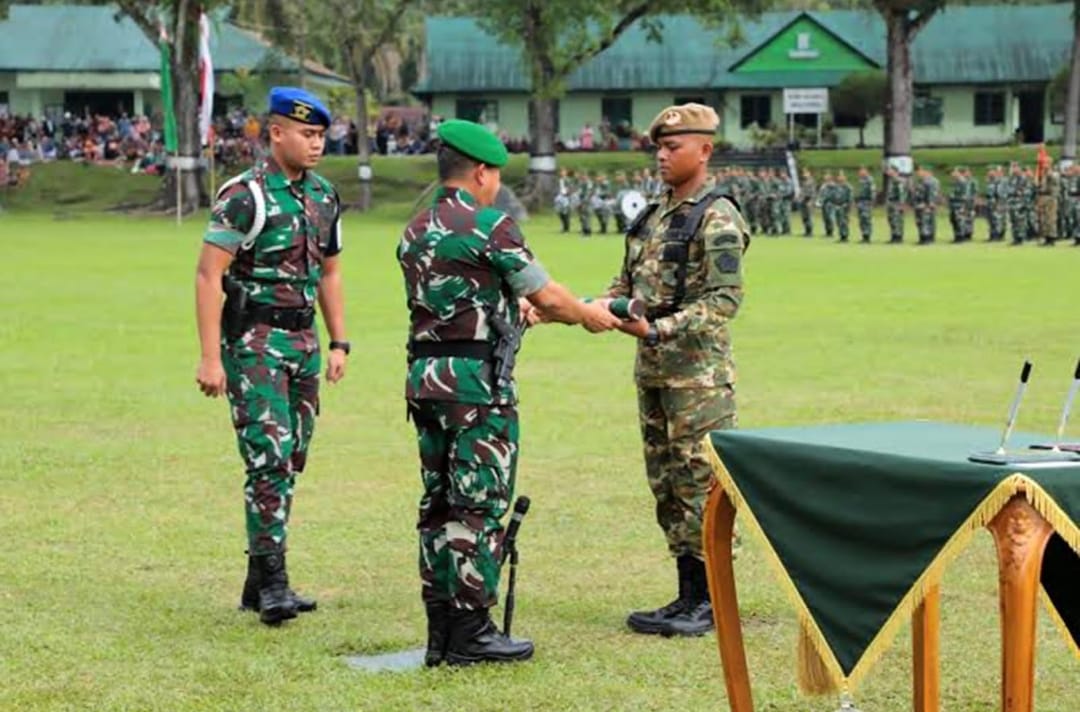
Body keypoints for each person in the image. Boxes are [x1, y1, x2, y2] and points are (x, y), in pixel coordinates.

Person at [398, 119, 620, 667]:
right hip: (476, 388)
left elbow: (457, 301)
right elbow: (548, 296)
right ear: (481, 171)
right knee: (478, 506)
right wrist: (587, 315)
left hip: (427, 379)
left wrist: (506, 311)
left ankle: (441, 628)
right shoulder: (491, 225)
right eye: (494, 173)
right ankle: (473, 632)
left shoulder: (416, 227)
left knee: (438, 505)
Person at [194, 87, 347, 627]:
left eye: (321, 135)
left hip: (303, 344)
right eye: (306, 134)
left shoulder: (325, 195)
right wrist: (210, 358)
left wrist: (338, 341)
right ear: (275, 133)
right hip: (254, 342)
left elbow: (329, 273)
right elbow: (209, 274)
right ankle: (275, 582)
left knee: (292, 459)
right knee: (269, 458)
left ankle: (257, 581)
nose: (316, 144)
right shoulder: (245, 195)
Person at [601, 103, 750, 638]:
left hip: (698, 379)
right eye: (659, 148)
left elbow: (724, 300)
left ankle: (711, 600)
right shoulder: (655, 215)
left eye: (673, 147)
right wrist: (589, 307)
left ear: (704, 150)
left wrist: (660, 330)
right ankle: (688, 594)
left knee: (701, 483)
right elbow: (628, 286)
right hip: (655, 372)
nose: (662, 156)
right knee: (666, 483)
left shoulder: (718, 216)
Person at [855, 166, 874, 243]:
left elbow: (873, 191)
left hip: (866, 202)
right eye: (860, 171)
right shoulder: (861, 180)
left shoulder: (870, 180)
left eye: (862, 171)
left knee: (866, 219)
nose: (860, 173)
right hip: (860, 202)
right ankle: (864, 235)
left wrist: (871, 202)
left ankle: (867, 236)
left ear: (866, 171)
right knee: (861, 220)